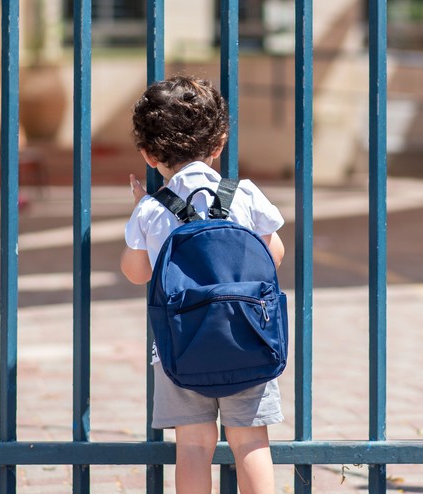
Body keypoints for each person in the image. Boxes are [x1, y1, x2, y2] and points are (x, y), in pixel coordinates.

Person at [121, 75, 285, 494]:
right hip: (248, 338)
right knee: (251, 442)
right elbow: (274, 255)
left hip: (179, 348)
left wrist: (141, 211)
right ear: (220, 144)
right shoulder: (243, 193)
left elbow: (137, 273)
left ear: (148, 153)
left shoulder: (151, 210)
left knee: (192, 446)